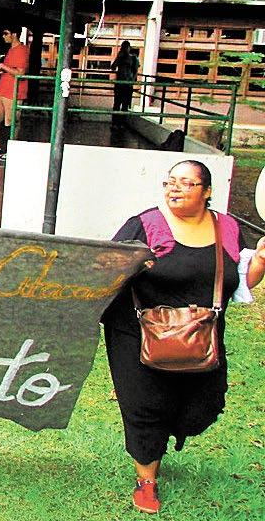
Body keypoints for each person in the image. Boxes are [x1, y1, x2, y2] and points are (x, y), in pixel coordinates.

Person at [102, 160, 265, 514]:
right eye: (170, 182)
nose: (174, 188)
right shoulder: (145, 225)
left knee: (204, 408)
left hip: (201, 336)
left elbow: (238, 284)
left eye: (186, 183)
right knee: (146, 407)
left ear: (207, 191)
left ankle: (165, 434)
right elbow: (107, 271)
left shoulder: (228, 228)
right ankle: (147, 480)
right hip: (138, 332)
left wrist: (261, 260)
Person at [0, 28, 29, 157]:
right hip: (1, 89)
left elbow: (21, 72)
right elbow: (12, 69)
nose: (3, 36)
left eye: (6, 33)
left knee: (13, 122)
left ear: (14, 34)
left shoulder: (22, 50)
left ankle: (12, 151)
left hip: (14, 92)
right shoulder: (11, 49)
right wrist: (0, 71)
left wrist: (3, 66)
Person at [111, 41, 140, 126]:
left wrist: (131, 82)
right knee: (118, 104)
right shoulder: (121, 57)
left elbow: (135, 72)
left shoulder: (134, 59)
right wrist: (118, 58)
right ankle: (116, 124)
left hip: (126, 84)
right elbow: (113, 67)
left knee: (124, 105)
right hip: (121, 84)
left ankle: (121, 124)